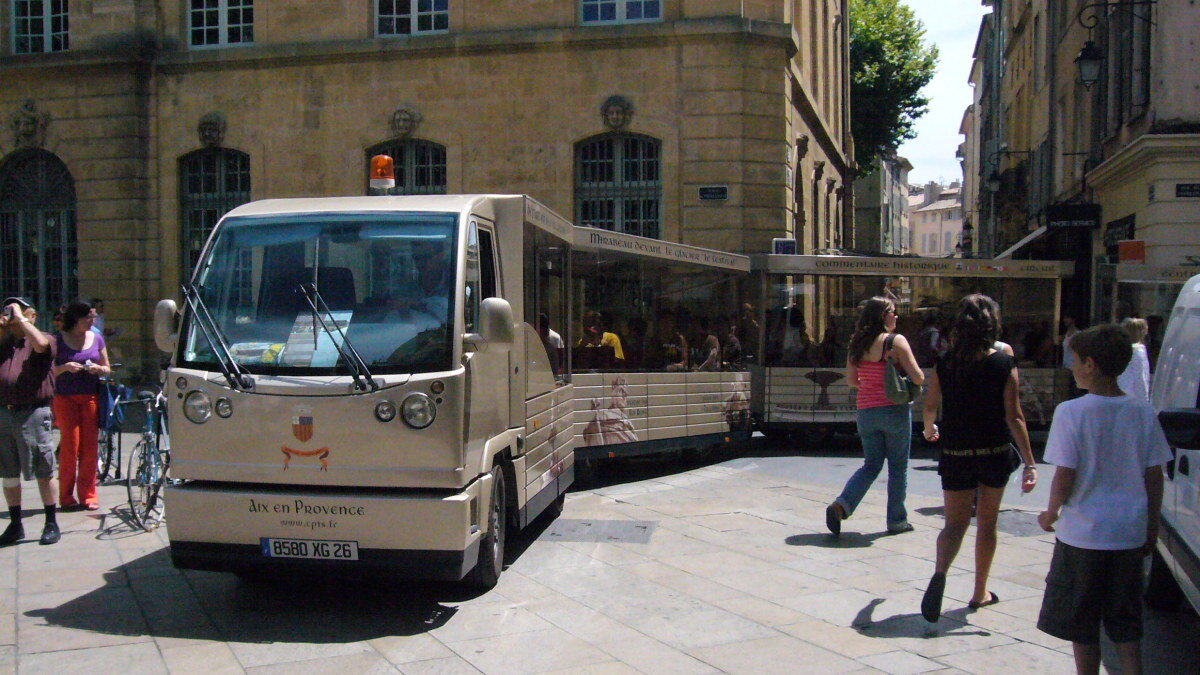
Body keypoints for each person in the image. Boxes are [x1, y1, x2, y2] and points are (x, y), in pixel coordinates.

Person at [1035, 324, 1171, 675]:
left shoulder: (1071, 412)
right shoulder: (1142, 412)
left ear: (1091, 364)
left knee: (1083, 626)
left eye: (1076, 361)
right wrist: (1151, 524)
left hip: (1083, 535)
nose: (1072, 367)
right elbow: (1153, 474)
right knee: (1127, 626)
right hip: (1128, 533)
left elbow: (1066, 474)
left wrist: (1051, 512)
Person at [919, 294, 1038, 622]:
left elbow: (930, 406)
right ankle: (979, 591)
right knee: (987, 523)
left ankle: (940, 573)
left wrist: (930, 430)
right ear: (992, 325)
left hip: (955, 452)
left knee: (954, 523)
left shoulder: (945, 363)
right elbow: (1014, 417)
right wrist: (1029, 462)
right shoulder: (1003, 363)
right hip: (992, 452)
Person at [826, 297, 924, 536]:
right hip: (893, 411)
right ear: (883, 316)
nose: (896, 316)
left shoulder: (856, 343)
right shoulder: (895, 341)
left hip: (866, 412)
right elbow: (919, 377)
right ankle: (897, 521)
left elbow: (851, 380)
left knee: (871, 465)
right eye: (893, 312)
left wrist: (870, 385)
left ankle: (841, 505)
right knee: (898, 468)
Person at [0, 297, 59, 546]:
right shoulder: (4, 342)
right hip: (4, 413)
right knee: (8, 472)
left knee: (43, 468)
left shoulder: (42, 337)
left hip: (33, 412)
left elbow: (41, 345)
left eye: (19, 311)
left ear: (32, 315)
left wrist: (22, 321)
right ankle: (15, 524)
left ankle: (51, 523)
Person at [52, 301, 111, 511]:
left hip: (90, 397)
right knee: (70, 445)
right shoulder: (58, 340)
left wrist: (98, 369)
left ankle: (88, 494)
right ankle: (66, 495)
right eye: (89, 317)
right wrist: (65, 367)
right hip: (65, 398)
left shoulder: (96, 337)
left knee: (90, 446)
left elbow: (108, 368)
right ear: (77, 318)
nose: (93, 320)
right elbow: (50, 372)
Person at [1117, 317, 1151, 401]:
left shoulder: (1118, 349)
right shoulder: (1138, 352)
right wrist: (1145, 401)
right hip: (1131, 400)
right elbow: (1141, 378)